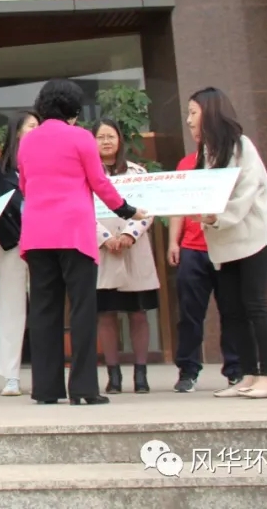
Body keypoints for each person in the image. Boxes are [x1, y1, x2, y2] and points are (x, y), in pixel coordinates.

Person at [18, 79, 145, 406]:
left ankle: (45, 389)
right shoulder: (80, 137)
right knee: (82, 310)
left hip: (37, 232)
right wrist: (126, 210)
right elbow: (99, 181)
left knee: (43, 311)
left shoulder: (27, 142)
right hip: (74, 231)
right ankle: (84, 389)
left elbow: (25, 186)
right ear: (73, 108)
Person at [187, 87, 267, 399]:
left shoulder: (242, 146)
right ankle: (248, 374)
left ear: (211, 112)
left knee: (255, 305)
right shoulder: (206, 152)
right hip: (224, 242)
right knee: (232, 310)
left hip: (252, 238)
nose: (189, 120)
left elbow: (246, 193)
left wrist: (215, 217)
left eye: (193, 112)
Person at [91, 119, 159, 395]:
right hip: (103, 250)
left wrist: (130, 235)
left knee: (138, 313)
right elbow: (82, 210)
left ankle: (141, 375)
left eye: (111, 136)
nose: (106, 141)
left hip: (134, 250)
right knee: (106, 315)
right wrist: (105, 238)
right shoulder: (86, 173)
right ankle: (113, 375)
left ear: (120, 140)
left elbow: (149, 208)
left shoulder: (137, 172)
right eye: (100, 137)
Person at [168, 145, 241, 394]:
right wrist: (173, 242)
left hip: (225, 246)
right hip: (192, 248)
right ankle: (188, 371)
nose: (195, 129)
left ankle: (235, 370)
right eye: (191, 125)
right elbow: (178, 206)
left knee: (231, 311)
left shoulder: (231, 161)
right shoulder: (186, 163)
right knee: (189, 313)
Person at [0, 111, 40, 397]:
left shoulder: (45, 162)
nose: (36, 129)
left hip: (44, 242)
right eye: (31, 126)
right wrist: (15, 236)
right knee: (11, 309)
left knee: (44, 308)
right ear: (17, 131)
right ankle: (10, 376)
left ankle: (46, 373)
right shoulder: (0, 169)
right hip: (12, 244)